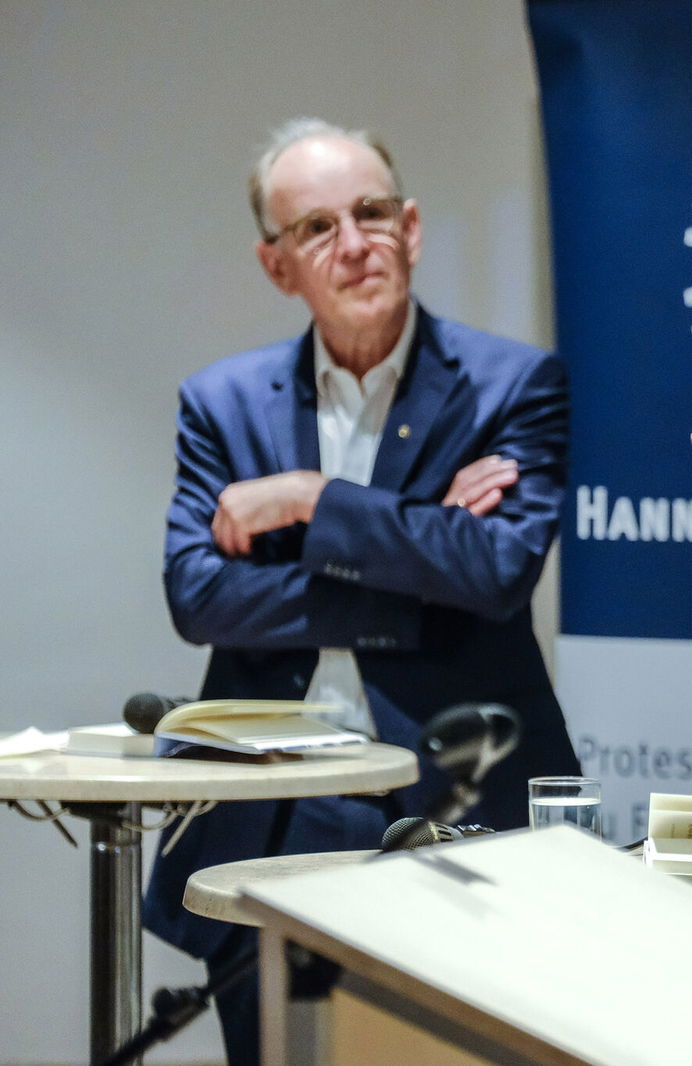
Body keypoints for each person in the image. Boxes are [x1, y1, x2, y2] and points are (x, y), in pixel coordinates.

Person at [143, 118, 580, 1064]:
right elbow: (197, 594)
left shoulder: (511, 386)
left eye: (373, 213)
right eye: (316, 228)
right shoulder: (219, 402)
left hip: (456, 787)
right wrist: (418, 554)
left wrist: (311, 502)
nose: (354, 244)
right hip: (275, 802)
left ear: (411, 227)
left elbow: (498, 572)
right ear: (276, 265)